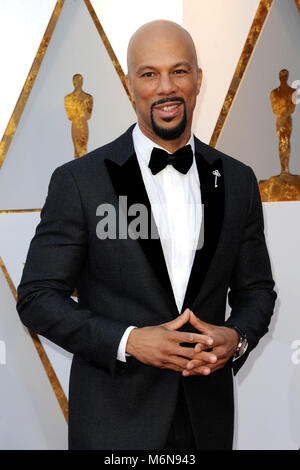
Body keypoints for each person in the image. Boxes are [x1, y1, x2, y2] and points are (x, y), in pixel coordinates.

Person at [17, 20, 276, 450]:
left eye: (179, 70)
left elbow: (257, 291)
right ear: (130, 84)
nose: (165, 87)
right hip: (113, 426)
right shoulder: (80, 181)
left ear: (197, 79)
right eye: (149, 73)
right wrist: (129, 341)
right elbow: (37, 297)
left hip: (205, 423)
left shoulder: (238, 180)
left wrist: (237, 338)